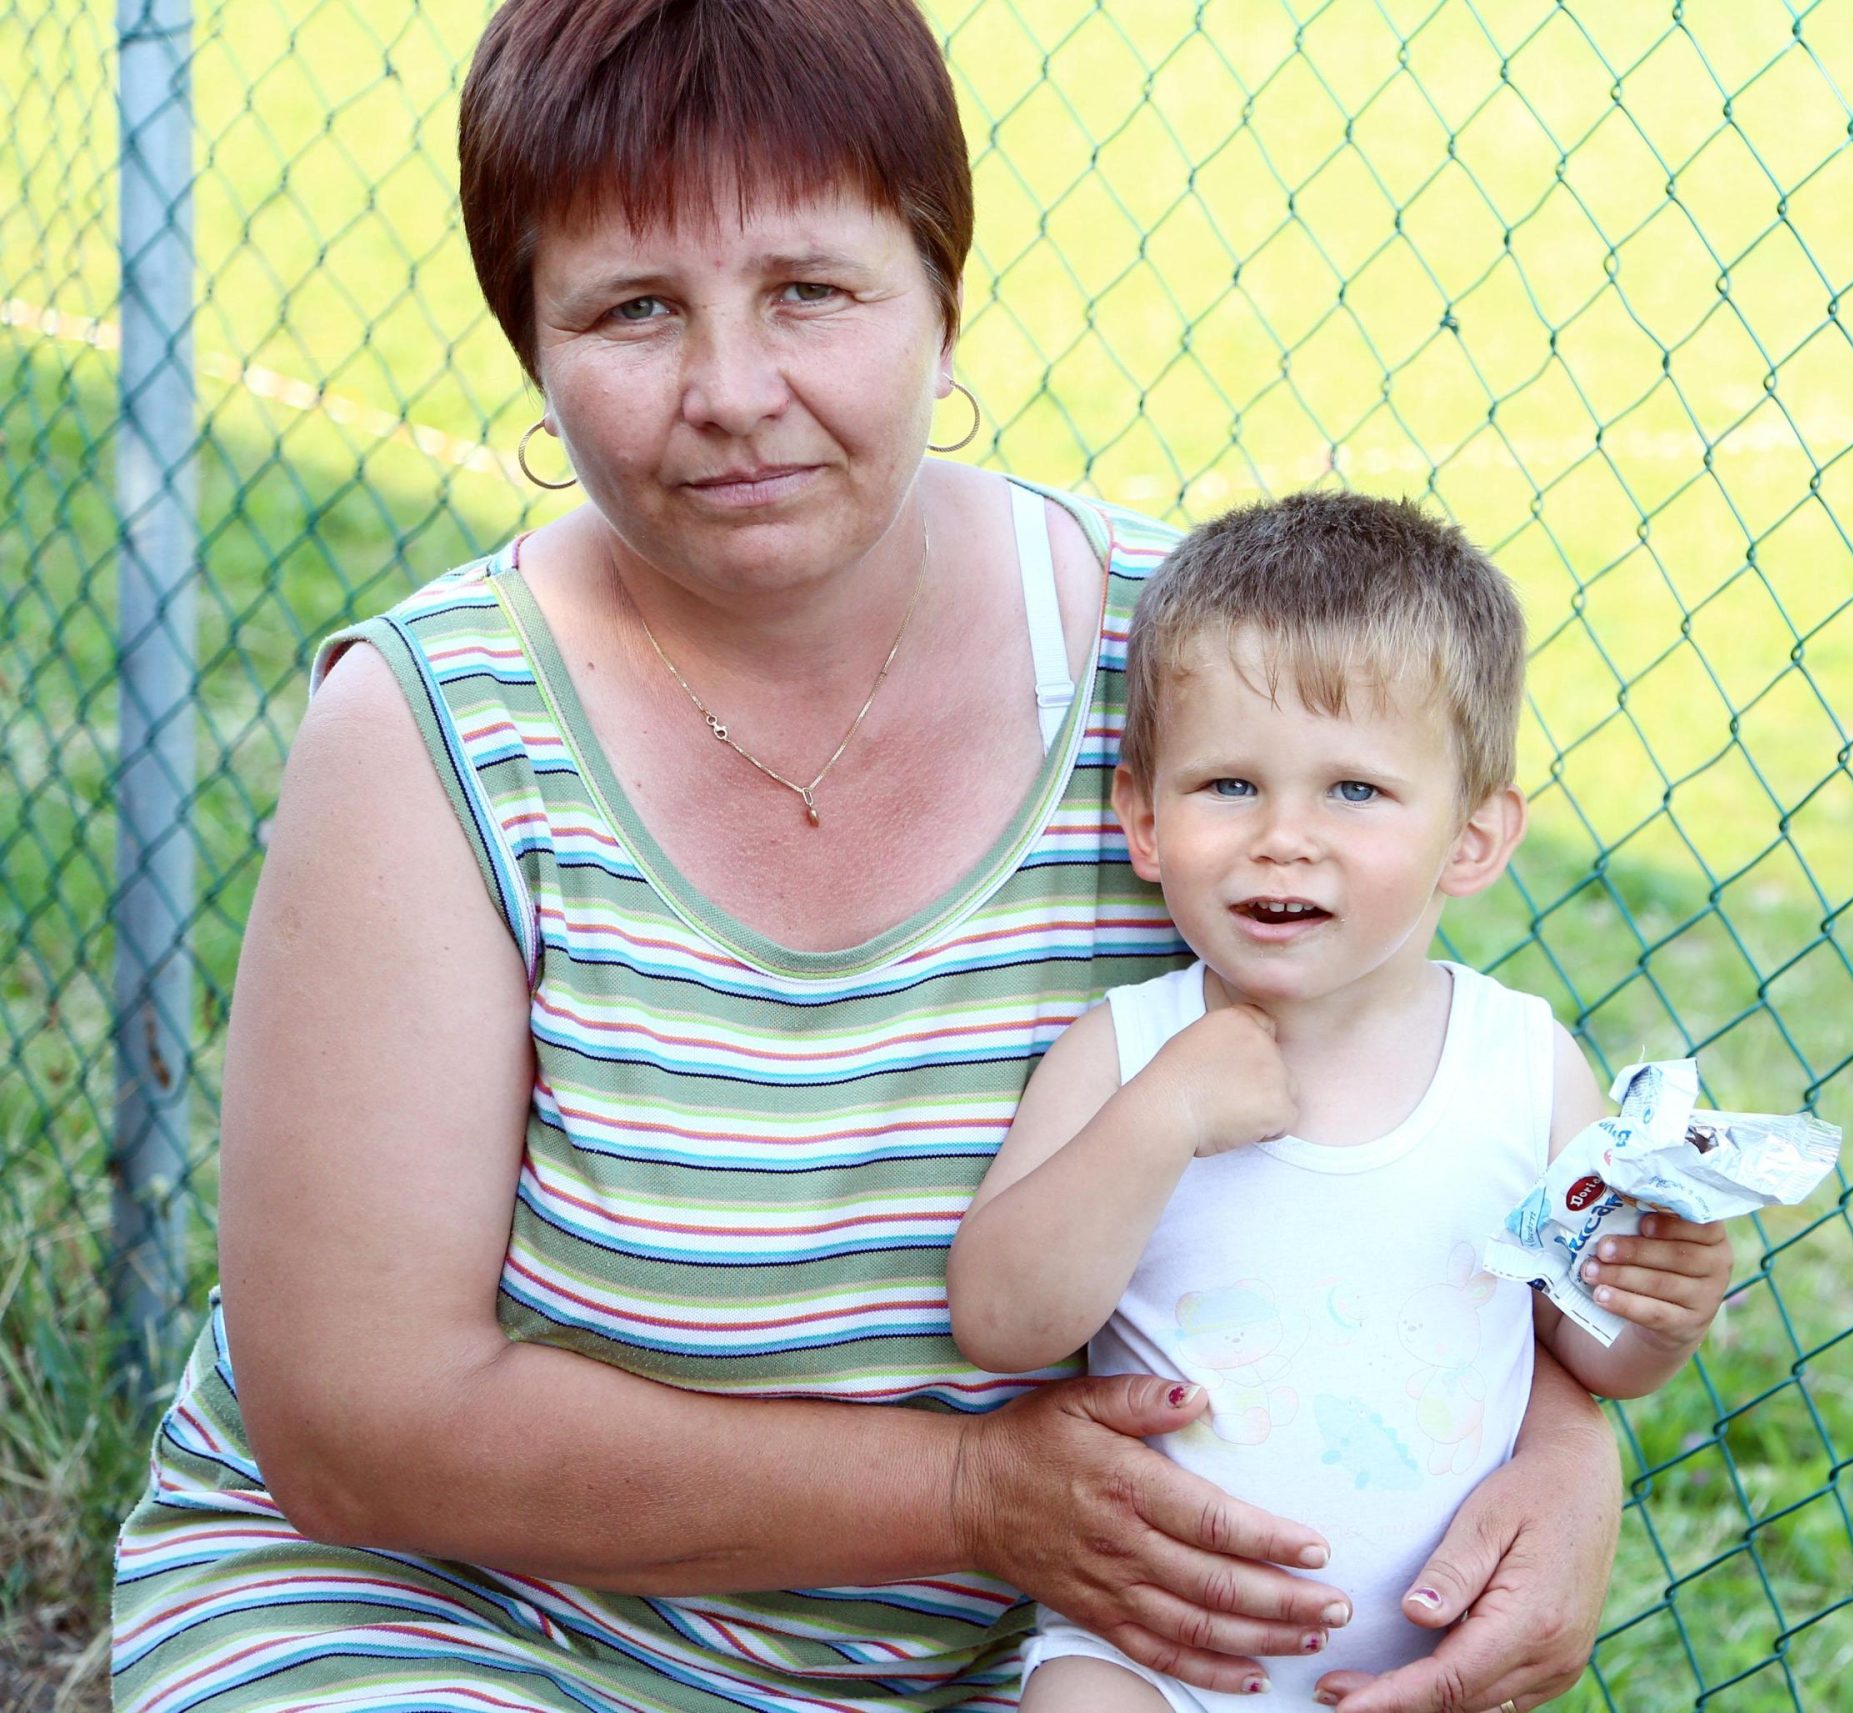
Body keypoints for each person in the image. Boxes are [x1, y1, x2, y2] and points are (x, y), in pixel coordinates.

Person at [106, 0, 1630, 1708]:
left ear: (945, 298)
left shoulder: (1203, 674)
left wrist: (1570, 1452)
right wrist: (972, 1497)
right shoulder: (436, 733)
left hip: (1054, 1661)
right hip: (465, 1620)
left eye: (810, 291)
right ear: (530, 348)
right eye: (631, 309)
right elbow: (361, 1430)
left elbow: (1432, 1129)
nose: (733, 393)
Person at [948, 494, 1735, 1712]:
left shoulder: (1520, 1067)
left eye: (1355, 793)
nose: (1283, 839)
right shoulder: (1128, 1050)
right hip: (1149, 1662)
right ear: (1145, 822)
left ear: (1471, 841)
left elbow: (1586, 1354)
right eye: (1227, 786)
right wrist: (1158, 1121)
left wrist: (1663, 1315)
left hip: (1417, 1667)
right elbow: (1000, 1318)